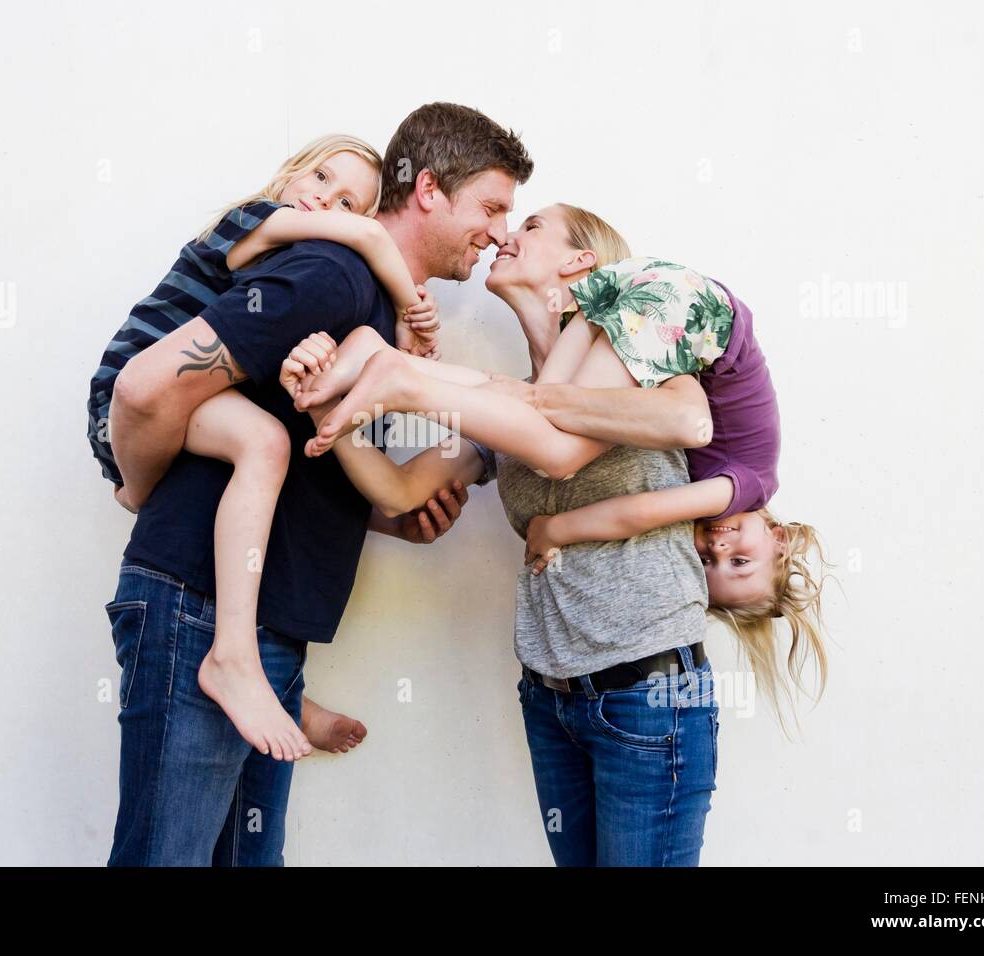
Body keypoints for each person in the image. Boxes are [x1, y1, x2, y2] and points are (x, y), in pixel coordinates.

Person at [285, 203, 828, 864]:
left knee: (549, 437)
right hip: (551, 700)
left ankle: (398, 378)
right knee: (529, 414)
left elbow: (679, 423)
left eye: (531, 227)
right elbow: (397, 490)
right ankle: (391, 376)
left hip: (647, 696)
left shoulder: (650, 352)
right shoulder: (506, 404)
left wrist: (553, 515)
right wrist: (325, 409)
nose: (506, 235)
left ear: (581, 264)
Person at [102, 102, 534, 866]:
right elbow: (140, 391)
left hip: (265, 633)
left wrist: (383, 516)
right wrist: (137, 486)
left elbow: (305, 450)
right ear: (430, 189)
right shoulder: (330, 275)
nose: (502, 230)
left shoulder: (371, 309)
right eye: (494, 207)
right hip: (200, 614)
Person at [86, 134, 441, 761]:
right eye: (322, 177)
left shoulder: (300, 257)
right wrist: (412, 305)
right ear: (291, 172)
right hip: (123, 395)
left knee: (272, 437)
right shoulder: (251, 219)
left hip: (184, 408)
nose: (324, 201)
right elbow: (370, 239)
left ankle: (278, 688)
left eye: (346, 201)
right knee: (264, 439)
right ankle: (231, 657)